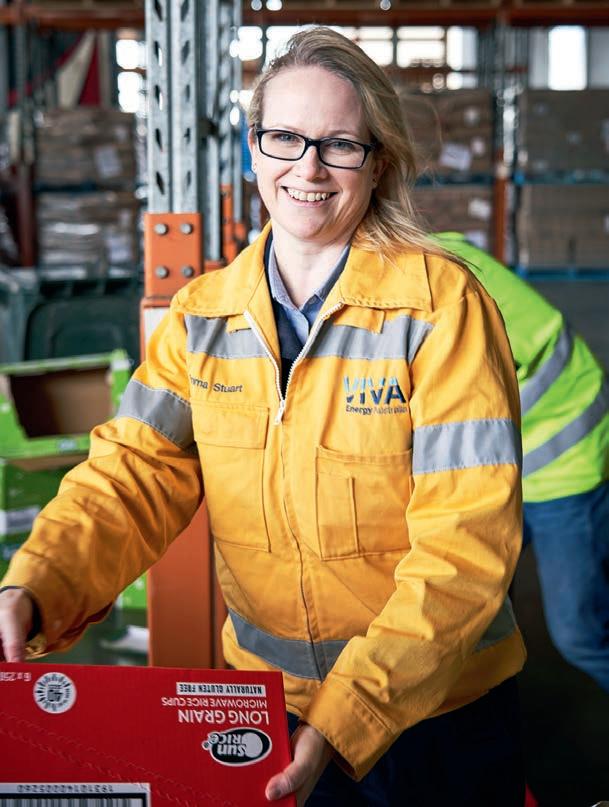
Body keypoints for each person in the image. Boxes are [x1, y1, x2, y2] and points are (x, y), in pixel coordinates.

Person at [0, 28, 526, 806]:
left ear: (376, 162)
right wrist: (38, 583)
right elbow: (131, 476)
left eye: (338, 144)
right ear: (253, 150)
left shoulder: (440, 308)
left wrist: (352, 715)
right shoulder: (202, 316)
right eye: (284, 138)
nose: (306, 168)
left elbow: (466, 546)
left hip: (434, 716)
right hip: (268, 710)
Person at [434, 232, 609, 694]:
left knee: (581, 635)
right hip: (507, 465)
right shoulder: (431, 254)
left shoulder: (437, 283)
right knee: (478, 614)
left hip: (562, 458)